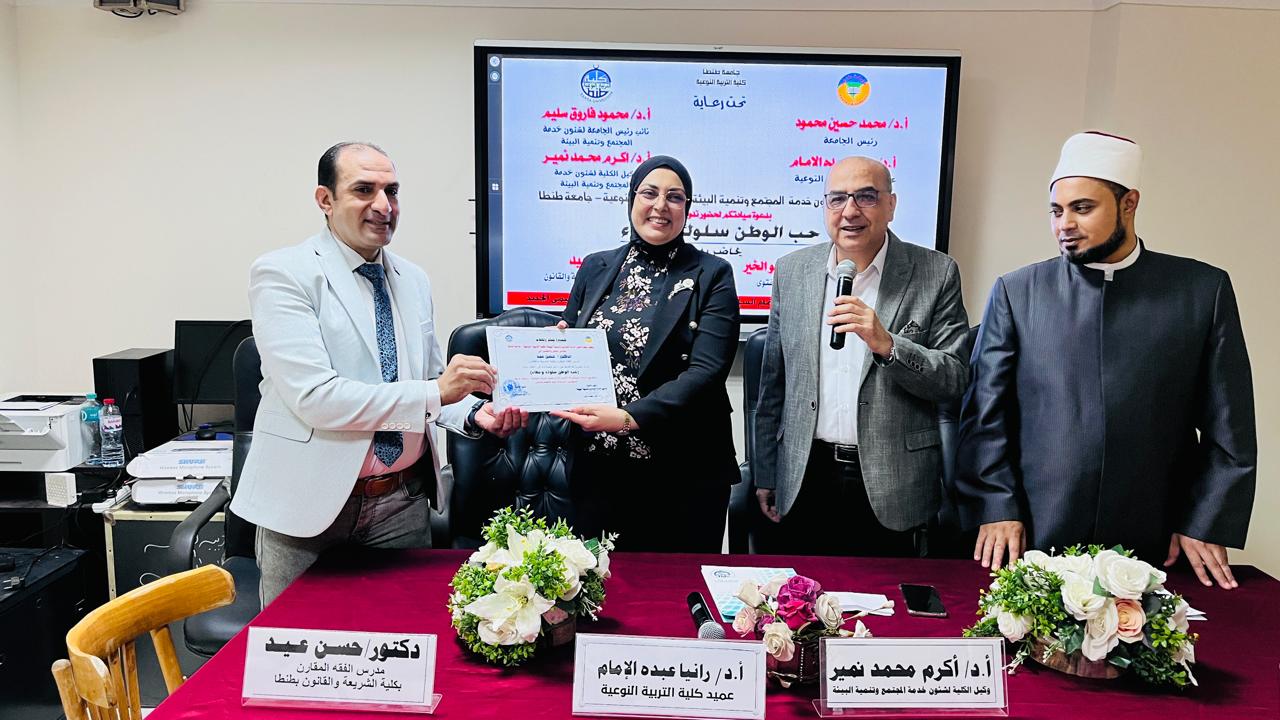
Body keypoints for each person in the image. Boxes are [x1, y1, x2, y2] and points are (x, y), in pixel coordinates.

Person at [231, 142, 527, 604]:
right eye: (364, 190)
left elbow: (428, 379)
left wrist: (474, 414)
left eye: (392, 191)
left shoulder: (413, 279)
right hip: (308, 508)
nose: (384, 206)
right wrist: (438, 391)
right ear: (325, 200)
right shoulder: (283, 274)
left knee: (404, 638)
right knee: (300, 645)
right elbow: (317, 399)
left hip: (401, 504)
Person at [957, 131, 1256, 588]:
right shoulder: (1018, 293)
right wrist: (996, 506)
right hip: (1035, 533)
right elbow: (985, 416)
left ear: (1129, 203)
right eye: (1056, 211)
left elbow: (1230, 425)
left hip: (1159, 539)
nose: (1065, 224)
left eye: (1082, 208)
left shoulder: (1201, 291)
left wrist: (1206, 521)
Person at [753, 156, 970, 556]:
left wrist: (888, 345)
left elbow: (954, 378)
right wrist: (765, 472)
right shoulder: (792, 272)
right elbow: (773, 386)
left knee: (885, 596)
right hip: (805, 476)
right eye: (837, 199)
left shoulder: (936, 272)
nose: (850, 211)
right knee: (803, 593)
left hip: (894, 484)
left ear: (891, 205)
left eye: (866, 197)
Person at [551, 155, 740, 552]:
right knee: (599, 581)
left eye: (675, 197)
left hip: (684, 470)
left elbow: (706, 372)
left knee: (675, 585)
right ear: (632, 199)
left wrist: (628, 418)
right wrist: (558, 351)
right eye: (649, 193)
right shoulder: (595, 267)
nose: (660, 206)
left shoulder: (712, 273)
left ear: (687, 208)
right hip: (598, 467)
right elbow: (570, 341)